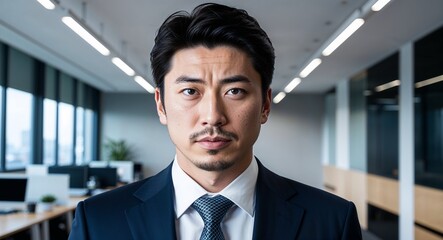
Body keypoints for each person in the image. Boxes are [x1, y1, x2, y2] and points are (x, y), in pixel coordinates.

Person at [68, 3, 362, 240]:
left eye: (235, 91)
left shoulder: (332, 221)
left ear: (265, 104)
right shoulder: (98, 221)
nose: (213, 116)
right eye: (190, 91)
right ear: (161, 105)